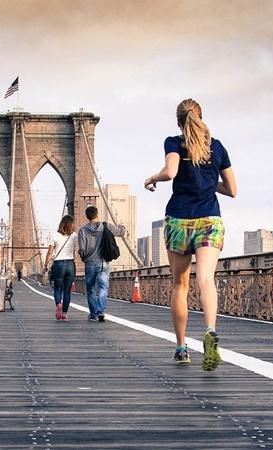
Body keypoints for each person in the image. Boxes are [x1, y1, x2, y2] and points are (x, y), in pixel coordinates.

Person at [144, 98, 237, 371]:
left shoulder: (173, 142)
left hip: (179, 220)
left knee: (180, 285)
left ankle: (182, 347)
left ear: (178, 122)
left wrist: (152, 178)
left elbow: (171, 171)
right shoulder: (217, 147)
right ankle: (210, 329)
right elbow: (232, 190)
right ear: (201, 117)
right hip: (209, 219)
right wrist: (208, 182)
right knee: (206, 279)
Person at [77, 206, 125, 322]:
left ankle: (93, 314)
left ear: (87, 216)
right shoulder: (106, 226)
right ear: (97, 214)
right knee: (103, 287)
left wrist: (84, 258)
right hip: (103, 263)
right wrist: (121, 225)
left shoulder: (82, 231)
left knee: (91, 289)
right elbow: (121, 233)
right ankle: (100, 311)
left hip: (89, 263)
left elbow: (82, 249)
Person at [44, 215, 78, 321]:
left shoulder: (55, 236)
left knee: (58, 289)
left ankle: (59, 304)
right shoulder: (74, 235)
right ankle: (64, 314)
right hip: (70, 264)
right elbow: (77, 249)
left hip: (58, 264)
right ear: (71, 224)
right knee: (67, 291)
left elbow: (50, 252)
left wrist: (45, 265)